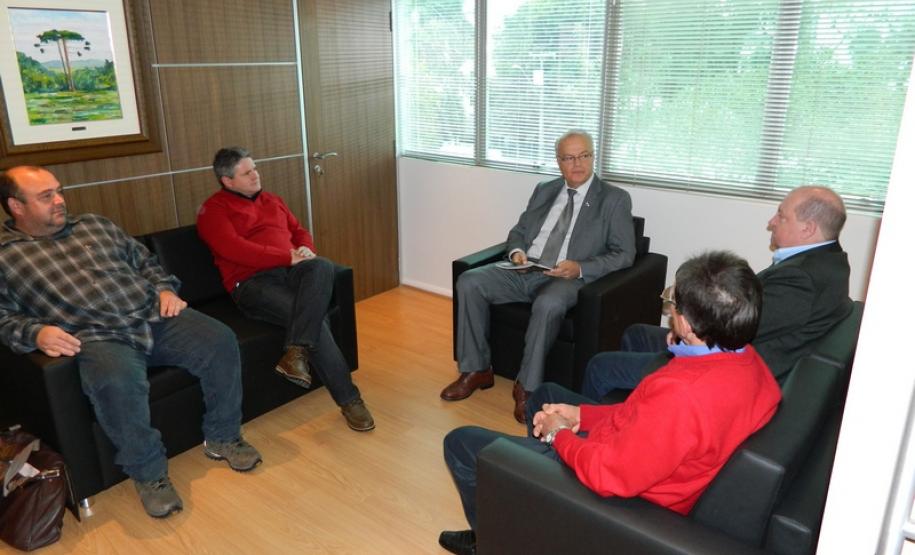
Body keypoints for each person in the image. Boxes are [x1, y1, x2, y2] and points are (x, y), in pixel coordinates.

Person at [438, 251, 782, 555]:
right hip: (636, 459)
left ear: (689, 323)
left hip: (616, 500)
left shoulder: (683, 391)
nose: (671, 311)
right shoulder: (749, 363)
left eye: (673, 305)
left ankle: (493, 539)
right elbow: (645, 417)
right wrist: (582, 416)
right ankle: (533, 505)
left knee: (461, 443)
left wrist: (561, 436)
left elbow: (608, 474)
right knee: (545, 397)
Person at [0, 166, 261, 519]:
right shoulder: (6, 255)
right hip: (96, 337)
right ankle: (150, 475)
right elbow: (3, 317)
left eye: (59, 191)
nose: (60, 200)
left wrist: (165, 288)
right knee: (116, 382)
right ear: (16, 206)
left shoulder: (95, 224)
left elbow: (145, 261)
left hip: (151, 314)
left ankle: (223, 436)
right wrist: (36, 333)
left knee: (219, 339)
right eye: (46, 196)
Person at [580, 185, 852, 400]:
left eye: (781, 215)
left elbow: (736, 329)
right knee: (636, 333)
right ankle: (641, 415)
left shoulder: (801, 279)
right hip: (738, 353)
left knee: (600, 366)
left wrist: (687, 324)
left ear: (808, 229)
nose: (772, 221)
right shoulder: (830, 262)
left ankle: (592, 445)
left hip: (728, 373)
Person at [441, 130, 636, 423]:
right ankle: (477, 369)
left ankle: (527, 388)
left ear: (593, 156)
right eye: (569, 158)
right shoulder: (545, 189)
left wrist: (580, 267)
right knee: (470, 281)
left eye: (584, 155)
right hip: (526, 268)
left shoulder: (614, 199)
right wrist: (517, 251)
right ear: (558, 162)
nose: (578, 163)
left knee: (547, 305)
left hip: (567, 278)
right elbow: (518, 231)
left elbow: (624, 254)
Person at [197, 147, 374, 432]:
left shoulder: (272, 200)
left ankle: (295, 351)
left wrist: (306, 247)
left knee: (322, 265)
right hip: (252, 283)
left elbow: (298, 230)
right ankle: (350, 400)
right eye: (247, 172)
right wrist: (284, 256)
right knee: (315, 321)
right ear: (227, 181)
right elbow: (234, 249)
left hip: (291, 271)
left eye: (254, 168)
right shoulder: (213, 211)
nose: (256, 175)